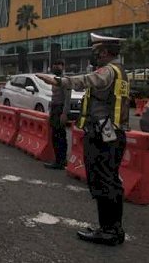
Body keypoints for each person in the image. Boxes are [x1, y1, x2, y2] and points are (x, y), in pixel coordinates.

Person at [36, 33, 129, 246]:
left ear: (104, 52)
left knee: (104, 182)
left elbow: (87, 80)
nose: (94, 55)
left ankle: (110, 231)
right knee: (109, 181)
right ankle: (110, 228)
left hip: (104, 136)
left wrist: (59, 80)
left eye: (96, 51)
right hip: (111, 134)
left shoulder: (108, 71)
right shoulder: (121, 71)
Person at [43, 59, 71, 170]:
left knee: (60, 136)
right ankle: (58, 160)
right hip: (55, 109)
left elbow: (67, 99)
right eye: (54, 65)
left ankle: (61, 161)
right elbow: (54, 96)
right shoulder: (55, 79)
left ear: (63, 66)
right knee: (55, 135)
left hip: (60, 109)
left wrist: (64, 113)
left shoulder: (65, 80)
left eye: (58, 65)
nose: (56, 67)